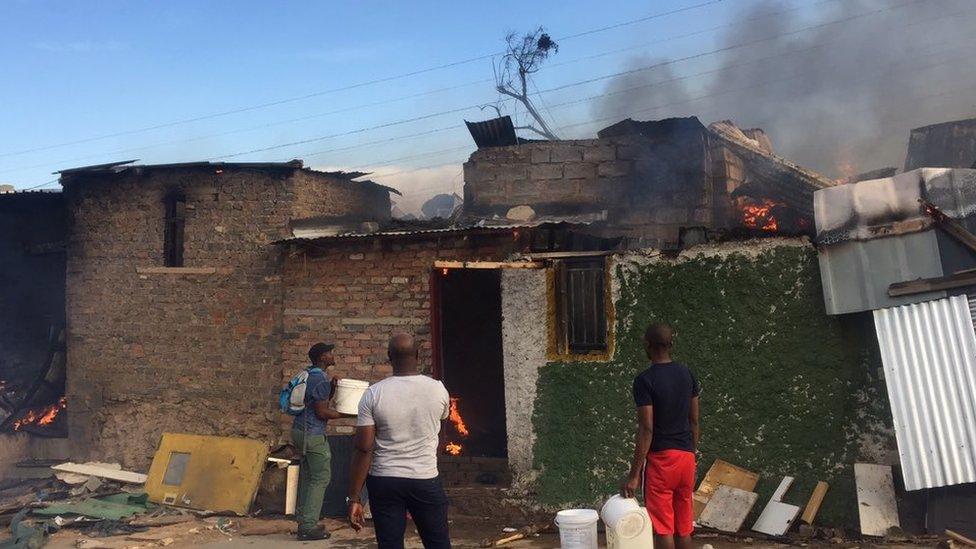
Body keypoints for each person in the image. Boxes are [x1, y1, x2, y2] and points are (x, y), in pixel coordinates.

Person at [347, 333, 452, 549]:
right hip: (425, 478)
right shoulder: (438, 389)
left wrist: (355, 498)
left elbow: (364, 449)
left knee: (390, 544)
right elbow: (443, 420)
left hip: (385, 480)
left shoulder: (373, 394)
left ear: (389, 356)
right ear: (417, 355)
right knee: (438, 543)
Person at [621, 323, 700, 549]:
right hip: (686, 459)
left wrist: (634, 474)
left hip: (661, 462)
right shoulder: (687, 374)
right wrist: (690, 453)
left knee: (664, 527)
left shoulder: (645, 380)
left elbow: (646, 428)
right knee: (683, 527)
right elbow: (694, 421)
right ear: (670, 345)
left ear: (647, 345)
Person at [293, 342, 343, 541]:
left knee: (308, 476)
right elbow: (322, 412)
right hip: (312, 435)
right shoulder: (320, 378)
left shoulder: (309, 374)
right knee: (320, 478)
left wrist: (332, 388)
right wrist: (345, 414)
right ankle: (308, 526)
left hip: (299, 431)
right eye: (329, 353)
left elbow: (317, 400)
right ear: (323, 357)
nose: (332, 355)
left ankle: (304, 520)